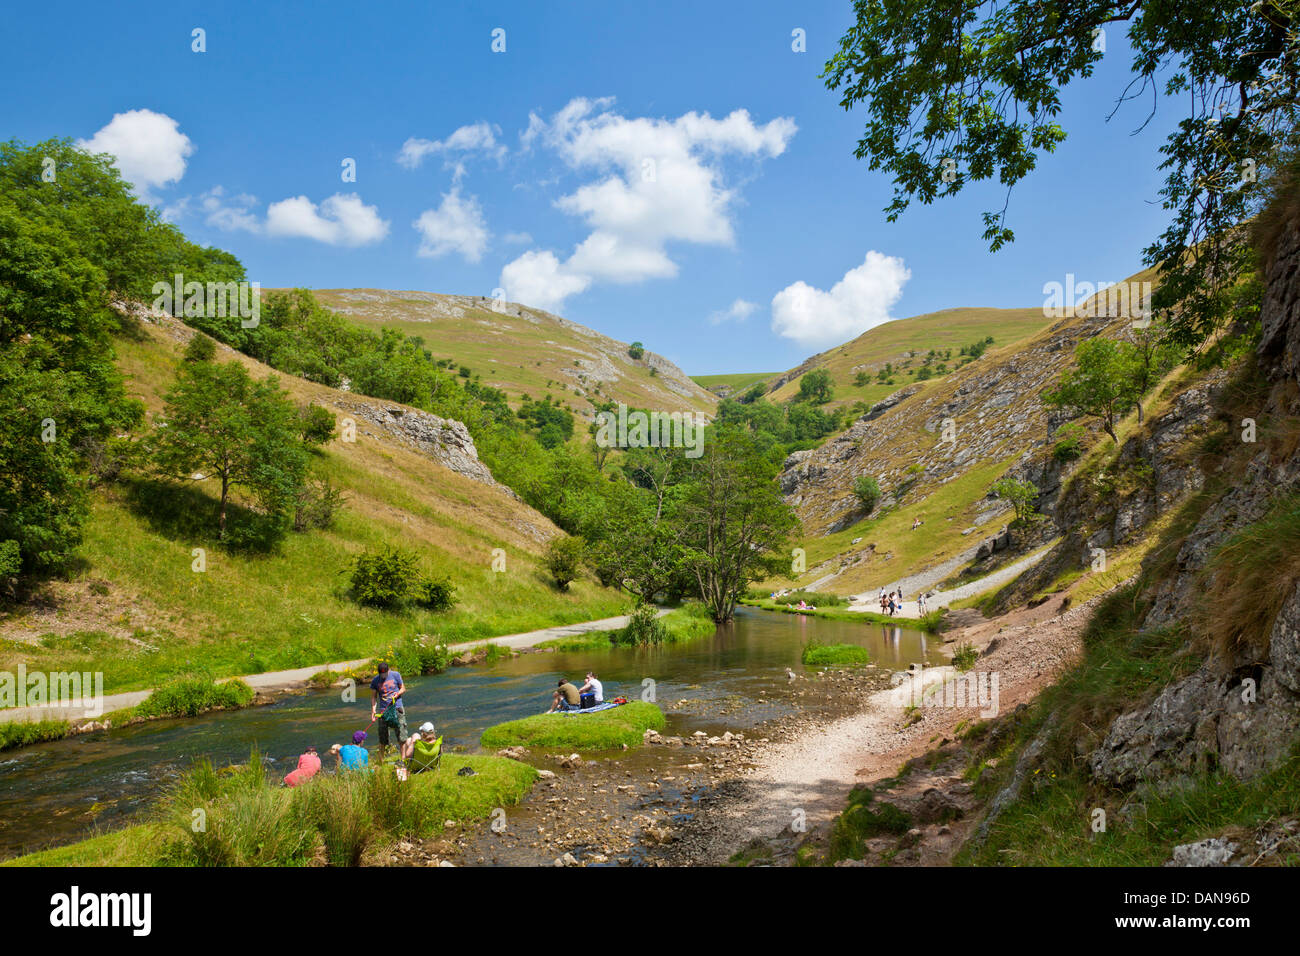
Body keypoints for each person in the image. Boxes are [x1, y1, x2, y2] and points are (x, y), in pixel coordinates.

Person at [370, 661, 408, 756]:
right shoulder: (375, 681)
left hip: (397, 708)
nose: (383, 675)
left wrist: (397, 694)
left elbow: (403, 688)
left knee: (401, 735)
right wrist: (373, 710)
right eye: (381, 674)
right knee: (382, 738)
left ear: (388, 670)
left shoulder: (396, 675)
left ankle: (403, 759)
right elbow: (374, 697)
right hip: (383, 711)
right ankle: (381, 761)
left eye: (385, 673)